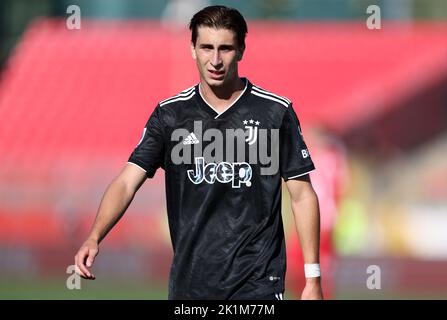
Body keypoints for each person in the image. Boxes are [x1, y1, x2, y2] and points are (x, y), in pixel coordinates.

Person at [74, 5, 323, 300]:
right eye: (206, 47)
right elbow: (127, 181)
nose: (215, 60)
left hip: (257, 285)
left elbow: (302, 194)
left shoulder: (274, 112)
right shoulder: (170, 115)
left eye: (225, 48)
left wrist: (312, 279)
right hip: (190, 287)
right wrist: (94, 236)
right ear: (193, 49)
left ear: (241, 50)